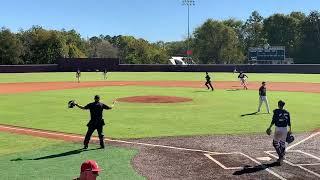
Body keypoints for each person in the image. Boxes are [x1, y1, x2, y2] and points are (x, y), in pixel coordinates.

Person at [266, 100, 291, 165]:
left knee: (275, 143)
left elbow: (273, 120)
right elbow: (289, 123)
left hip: (278, 129)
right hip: (285, 129)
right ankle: (282, 156)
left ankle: (280, 157)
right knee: (282, 144)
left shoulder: (276, 111)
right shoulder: (287, 112)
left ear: (278, 105)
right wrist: (290, 130)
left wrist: (269, 127)